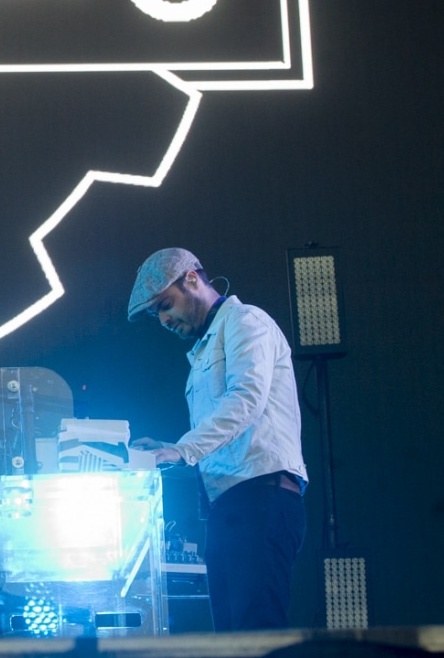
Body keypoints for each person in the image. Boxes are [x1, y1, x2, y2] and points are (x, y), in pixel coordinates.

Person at [127, 247, 308, 631]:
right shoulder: (205, 348)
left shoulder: (246, 321)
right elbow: (225, 434)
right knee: (233, 641)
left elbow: (246, 400)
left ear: (192, 279)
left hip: (261, 496)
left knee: (257, 635)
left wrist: (180, 450)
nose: (164, 320)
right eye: (156, 314)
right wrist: (168, 451)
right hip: (230, 507)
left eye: (165, 305)